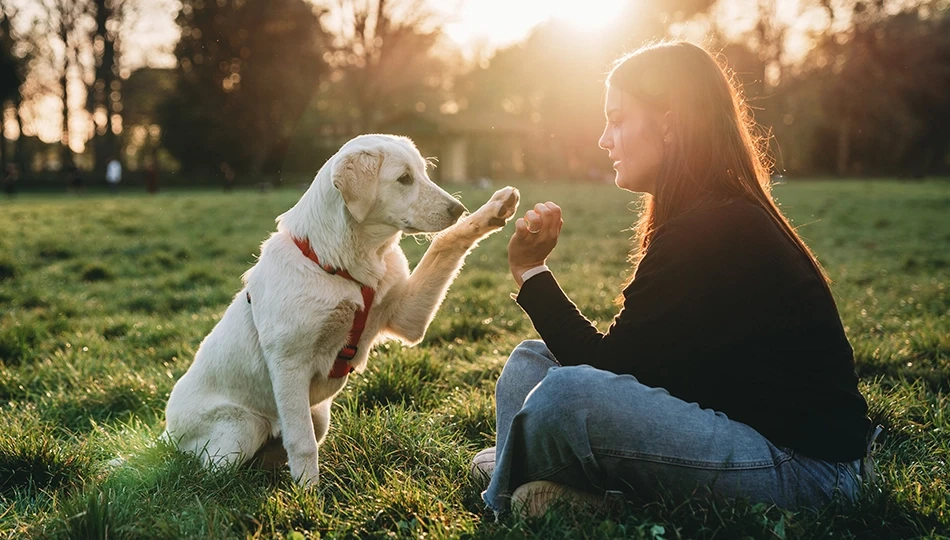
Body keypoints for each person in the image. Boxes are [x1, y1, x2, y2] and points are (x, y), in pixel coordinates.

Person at [474, 41, 874, 518]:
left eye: (617, 119)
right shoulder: (701, 215)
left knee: (567, 394)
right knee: (530, 362)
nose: (605, 139)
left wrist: (531, 273)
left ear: (667, 122)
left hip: (809, 474)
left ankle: (515, 490)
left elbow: (607, 370)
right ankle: (556, 485)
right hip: (736, 428)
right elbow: (640, 371)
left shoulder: (715, 226)